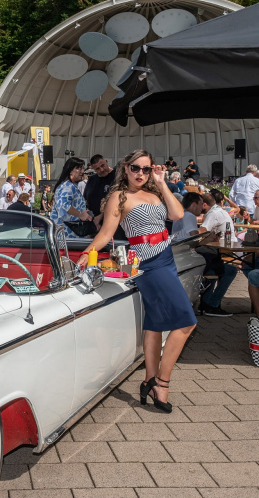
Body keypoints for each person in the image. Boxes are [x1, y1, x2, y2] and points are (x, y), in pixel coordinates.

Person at [78, 150, 195, 413]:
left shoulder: (155, 192)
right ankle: (162, 383)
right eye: (135, 168)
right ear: (126, 168)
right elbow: (106, 233)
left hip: (166, 257)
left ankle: (149, 380)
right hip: (148, 263)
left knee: (154, 322)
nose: (140, 173)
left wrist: (162, 183)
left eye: (146, 169)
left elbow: (177, 215)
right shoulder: (119, 197)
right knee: (187, 322)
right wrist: (87, 252)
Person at [49, 157, 92, 238]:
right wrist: (80, 214)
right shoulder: (67, 187)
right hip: (67, 236)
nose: (82, 171)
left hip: (69, 234)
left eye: (82, 168)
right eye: (78, 168)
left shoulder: (70, 186)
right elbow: (63, 206)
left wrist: (83, 211)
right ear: (70, 171)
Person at [84, 155, 117, 222]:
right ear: (94, 169)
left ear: (106, 162)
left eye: (102, 165)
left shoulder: (117, 176)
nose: (102, 170)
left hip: (111, 220)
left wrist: (101, 216)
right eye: (98, 169)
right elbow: (86, 199)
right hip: (93, 220)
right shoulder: (92, 179)